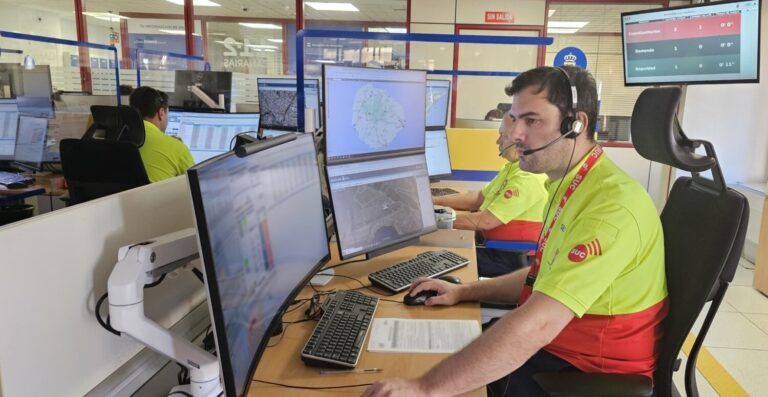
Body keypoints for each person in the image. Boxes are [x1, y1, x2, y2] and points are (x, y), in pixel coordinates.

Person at [363, 66, 668, 397]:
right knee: (425, 356)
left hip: (581, 373)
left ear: (575, 124)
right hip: (554, 351)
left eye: (531, 121)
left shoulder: (611, 207)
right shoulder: (569, 185)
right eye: (515, 119)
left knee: (419, 378)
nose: (516, 133)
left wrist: (424, 388)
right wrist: (463, 291)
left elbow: (539, 324)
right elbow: (542, 277)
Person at [433, 120, 548, 276]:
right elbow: (478, 198)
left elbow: (486, 221)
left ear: (519, 140)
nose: (497, 142)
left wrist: (433, 222)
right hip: (492, 247)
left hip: (508, 256)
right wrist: (435, 201)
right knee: (437, 251)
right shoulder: (513, 168)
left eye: (502, 136)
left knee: (437, 258)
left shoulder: (528, 178)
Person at [129, 86, 194, 183]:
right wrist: (174, 145)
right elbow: (197, 182)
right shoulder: (177, 147)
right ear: (161, 113)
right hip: (157, 193)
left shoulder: (116, 138)